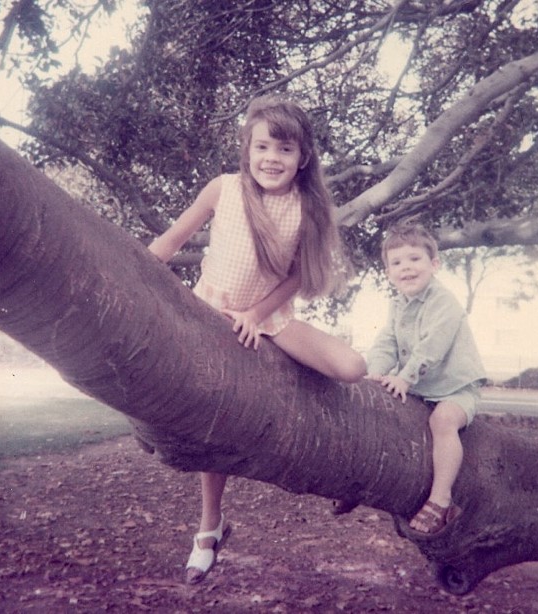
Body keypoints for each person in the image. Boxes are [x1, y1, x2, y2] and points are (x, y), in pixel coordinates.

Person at [148, 95, 367, 583]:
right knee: (214, 417)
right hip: (208, 312)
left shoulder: (307, 207)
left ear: (302, 158)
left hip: (267, 317)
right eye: (263, 145)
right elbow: (169, 243)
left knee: (352, 368)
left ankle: (348, 463)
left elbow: (295, 278)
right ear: (246, 148)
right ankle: (209, 526)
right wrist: (131, 272)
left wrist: (256, 312)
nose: (272, 157)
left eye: (284, 149)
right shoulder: (222, 189)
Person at [366, 222, 485, 536]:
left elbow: (432, 346)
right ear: (388, 272)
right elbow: (387, 341)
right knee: (380, 411)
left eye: (414, 259)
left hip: (455, 389)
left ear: (434, 264)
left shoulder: (443, 302)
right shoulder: (397, 304)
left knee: (443, 421)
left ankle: (440, 499)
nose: (406, 267)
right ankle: (360, 481)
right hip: (421, 387)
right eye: (397, 262)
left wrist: (404, 378)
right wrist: (375, 371)